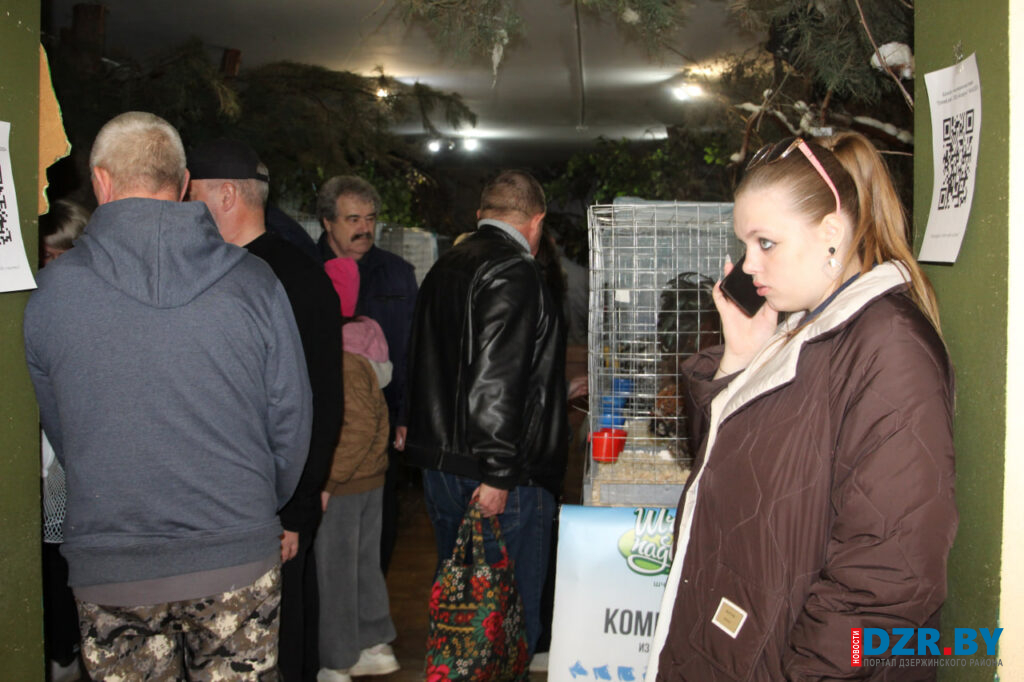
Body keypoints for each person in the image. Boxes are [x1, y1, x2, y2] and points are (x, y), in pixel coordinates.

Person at [647, 133, 957, 680]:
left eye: (766, 243)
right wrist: (739, 359)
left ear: (831, 233)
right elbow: (724, 470)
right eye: (745, 245)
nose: (748, 266)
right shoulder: (801, 331)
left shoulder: (889, 347)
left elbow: (887, 577)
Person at [23, 111, 313, 680]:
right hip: (234, 552)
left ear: (100, 180)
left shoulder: (53, 292)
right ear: (182, 184)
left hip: (113, 562)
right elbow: (291, 419)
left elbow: (63, 428)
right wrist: (253, 502)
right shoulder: (254, 282)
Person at [187, 137, 344, 682]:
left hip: (273, 509)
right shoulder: (229, 269)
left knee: (281, 637)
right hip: (241, 505)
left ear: (227, 195)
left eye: (191, 195)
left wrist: (295, 512)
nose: (183, 209)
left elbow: (320, 401)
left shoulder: (289, 277)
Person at [402, 169, 569, 656]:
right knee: (506, 626)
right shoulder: (515, 271)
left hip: (443, 465)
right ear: (537, 221)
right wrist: (498, 472)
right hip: (501, 477)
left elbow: (426, 358)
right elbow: (497, 378)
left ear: (481, 215)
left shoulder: (446, 265)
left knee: (462, 615)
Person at [316, 175, 418, 573]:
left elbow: (411, 350)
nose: (364, 228)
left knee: (378, 531)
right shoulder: (306, 270)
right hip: (323, 425)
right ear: (327, 222)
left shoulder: (397, 274)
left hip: (383, 424)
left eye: (370, 219)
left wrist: (406, 415)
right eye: (353, 219)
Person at [316, 258, 400, 682]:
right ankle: (374, 643)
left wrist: (329, 480)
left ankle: (337, 660)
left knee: (335, 573)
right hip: (371, 478)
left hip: (346, 483)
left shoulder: (343, 357)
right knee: (364, 567)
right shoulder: (367, 345)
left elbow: (357, 427)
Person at [37, 198, 90, 682]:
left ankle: (71, 650)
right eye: (46, 257)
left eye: (61, 255)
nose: (52, 267)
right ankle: (61, 652)